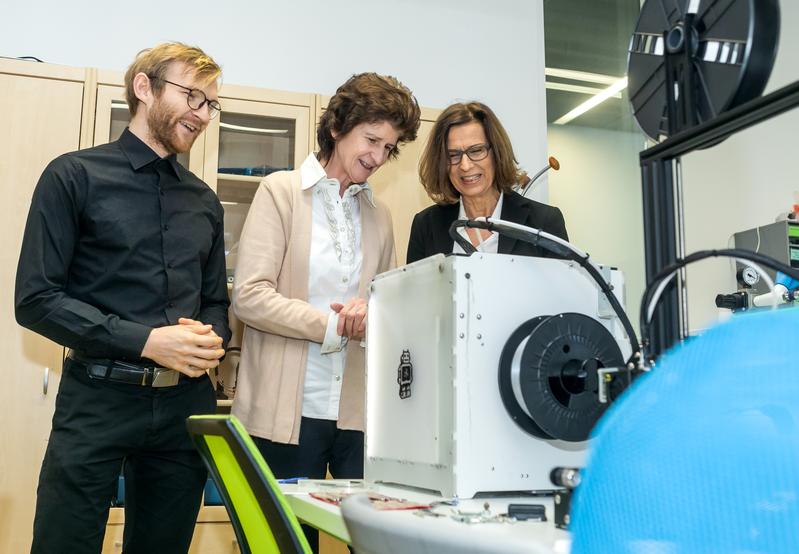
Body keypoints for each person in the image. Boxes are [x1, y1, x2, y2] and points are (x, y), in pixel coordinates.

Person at [15, 43, 231, 554]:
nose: (201, 114)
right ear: (144, 88)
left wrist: (208, 337)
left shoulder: (205, 201)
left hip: (184, 406)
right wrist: (148, 342)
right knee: (62, 543)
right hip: (97, 399)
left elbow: (215, 300)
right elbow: (37, 298)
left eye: (210, 104)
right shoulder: (72, 176)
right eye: (192, 96)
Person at [231, 72, 420, 552]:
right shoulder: (280, 192)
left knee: (378, 542)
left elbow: (388, 307)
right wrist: (334, 324)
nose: (378, 158)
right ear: (337, 127)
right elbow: (250, 295)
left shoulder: (380, 215)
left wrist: (371, 314)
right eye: (372, 140)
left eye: (389, 148)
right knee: (285, 545)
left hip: (357, 417)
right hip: (285, 412)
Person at [407, 101, 568, 263]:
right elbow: (415, 288)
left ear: (497, 153)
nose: (465, 165)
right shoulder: (426, 225)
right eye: (453, 155)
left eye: (476, 151)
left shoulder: (544, 221)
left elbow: (561, 288)